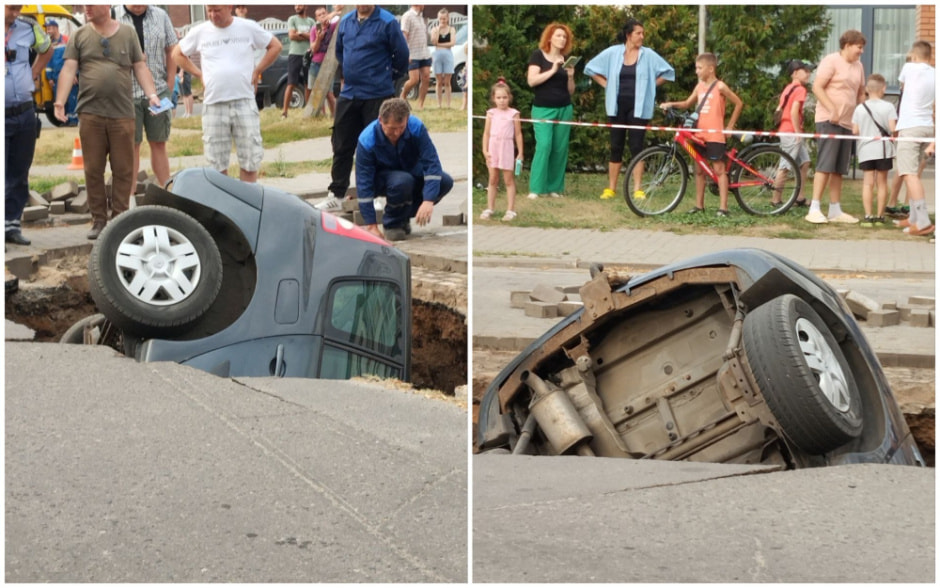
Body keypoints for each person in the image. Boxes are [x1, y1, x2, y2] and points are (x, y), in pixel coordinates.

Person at [54, 5, 161, 240]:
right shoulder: (79, 35)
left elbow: (140, 66)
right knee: (93, 170)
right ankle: (99, 220)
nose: (86, 8)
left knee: (123, 170)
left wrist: (152, 95)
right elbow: (69, 69)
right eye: (84, 5)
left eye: (91, 4)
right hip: (90, 114)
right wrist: (60, 101)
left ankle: (120, 220)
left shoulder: (128, 33)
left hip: (122, 114)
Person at [315, 5, 409, 212]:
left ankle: (375, 195)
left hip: (377, 94)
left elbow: (402, 56)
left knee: (377, 145)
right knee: (341, 143)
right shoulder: (346, 22)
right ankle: (337, 194)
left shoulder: (387, 22)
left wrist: (386, 77)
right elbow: (340, 52)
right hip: (350, 93)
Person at [173, 5, 281, 184]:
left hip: (244, 101)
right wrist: (199, 74)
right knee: (216, 164)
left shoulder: (247, 27)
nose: (213, 15)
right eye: (209, 10)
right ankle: (221, 200)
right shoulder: (200, 31)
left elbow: (275, 46)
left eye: (217, 10)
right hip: (214, 104)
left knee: (250, 160)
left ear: (229, 6)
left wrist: (257, 70)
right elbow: (177, 54)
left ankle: (247, 198)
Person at [584, 18, 674, 201]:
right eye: (638, 33)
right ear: (628, 35)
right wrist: (606, 85)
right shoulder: (613, 52)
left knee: (636, 146)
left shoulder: (649, 55)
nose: (642, 36)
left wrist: (651, 86)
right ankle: (611, 188)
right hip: (616, 106)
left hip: (639, 108)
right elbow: (590, 68)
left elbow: (668, 72)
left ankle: (638, 189)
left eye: (643, 33)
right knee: (615, 146)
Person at [355, 98, 452, 241]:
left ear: (407, 119)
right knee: (402, 181)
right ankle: (392, 224)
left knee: (444, 181)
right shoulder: (367, 139)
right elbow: (364, 182)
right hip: (382, 178)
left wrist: (428, 200)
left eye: (401, 127)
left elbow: (432, 163)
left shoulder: (416, 127)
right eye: (392, 129)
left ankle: (402, 217)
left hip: (410, 169)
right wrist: (371, 225)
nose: (397, 133)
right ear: (380, 120)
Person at [661, 53, 743, 217]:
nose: (696, 71)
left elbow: (738, 103)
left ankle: (723, 208)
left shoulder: (720, 86)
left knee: (719, 170)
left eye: (699, 68)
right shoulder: (699, 87)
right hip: (699, 135)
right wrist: (671, 104)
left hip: (715, 135)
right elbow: (687, 103)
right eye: (696, 68)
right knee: (699, 170)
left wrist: (730, 126)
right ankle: (699, 206)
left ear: (710, 69)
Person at [805, 30, 866, 225]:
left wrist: (861, 116)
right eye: (859, 47)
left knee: (839, 168)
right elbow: (817, 87)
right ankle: (814, 208)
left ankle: (835, 209)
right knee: (825, 164)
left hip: (847, 123)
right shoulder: (831, 61)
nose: (861, 51)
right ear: (847, 45)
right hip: (828, 121)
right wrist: (832, 109)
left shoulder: (859, 66)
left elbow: (860, 92)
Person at [115, 5, 178, 193]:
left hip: (158, 91)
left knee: (159, 142)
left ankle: (167, 191)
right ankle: (129, 198)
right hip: (127, 93)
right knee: (131, 147)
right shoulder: (114, 15)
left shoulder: (161, 15)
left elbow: (172, 49)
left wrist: (170, 82)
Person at [5, 5, 52, 246]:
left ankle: (11, 225)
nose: (15, 13)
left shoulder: (29, 27)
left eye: (18, 8)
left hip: (24, 112)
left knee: (19, 172)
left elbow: (47, 48)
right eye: (10, 8)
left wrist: (33, 73)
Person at [526, 22, 575, 200]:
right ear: (549, 38)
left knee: (559, 149)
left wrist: (570, 77)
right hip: (543, 109)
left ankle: (554, 187)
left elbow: (571, 91)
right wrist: (553, 70)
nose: (562, 39)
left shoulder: (566, 59)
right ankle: (536, 188)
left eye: (564, 37)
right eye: (558, 36)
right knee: (544, 145)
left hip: (564, 108)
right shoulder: (538, 55)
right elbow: (532, 81)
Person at [893, 40, 935, 236]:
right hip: (927, 126)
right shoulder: (935, 73)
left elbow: (902, 86)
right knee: (915, 173)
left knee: (908, 174)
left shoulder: (909, 67)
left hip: (910, 126)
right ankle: (914, 218)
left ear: (915, 56)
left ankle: (923, 221)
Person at [851, 74, 897, 227]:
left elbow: (855, 130)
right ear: (883, 88)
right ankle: (880, 216)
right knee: (882, 183)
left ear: (867, 89)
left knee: (867, 183)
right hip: (883, 149)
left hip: (865, 149)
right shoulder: (889, 107)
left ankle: (868, 215)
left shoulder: (860, 108)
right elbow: (892, 128)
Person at [773, 59, 814, 207]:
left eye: (809, 71)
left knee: (804, 162)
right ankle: (776, 200)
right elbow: (793, 112)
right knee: (785, 166)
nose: (809, 74)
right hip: (791, 131)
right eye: (806, 71)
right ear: (795, 73)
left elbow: (779, 109)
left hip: (786, 129)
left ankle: (800, 197)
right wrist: (797, 132)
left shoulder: (788, 88)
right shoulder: (800, 90)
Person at [481, 78, 523, 222]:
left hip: (506, 147)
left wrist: (520, 153)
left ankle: (510, 209)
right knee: (493, 179)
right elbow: (486, 133)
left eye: (504, 97)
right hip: (493, 147)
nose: (502, 101)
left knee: (508, 180)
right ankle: (490, 207)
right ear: (494, 98)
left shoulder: (514, 114)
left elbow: (518, 134)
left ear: (509, 97)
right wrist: (485, 150)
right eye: (499, 98)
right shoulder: (491, 113)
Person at [307, 5, 341, 115]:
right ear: (316, 18)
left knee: (329, 92)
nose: (322, 16)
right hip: (316, 63)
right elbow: (313, 49)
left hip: (328, 64)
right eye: (319, 15)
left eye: (324, 13)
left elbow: (342, 15)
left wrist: (334, 13)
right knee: (315, 91)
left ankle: (334, 115)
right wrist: (318, 38)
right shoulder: (314, 29)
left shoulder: (333, 26)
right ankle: (321, 114)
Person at [283, 5, 315, 119]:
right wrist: (307, 35)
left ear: (306, 6)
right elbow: (292, 36)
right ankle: (284, 112)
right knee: (291, 83)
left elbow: (314, 37)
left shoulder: (311, 21)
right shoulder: (292, 19)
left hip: (308, 54)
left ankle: (308, 112)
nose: (297, 6)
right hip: (294, 54)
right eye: (295, 4)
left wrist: (300, 33)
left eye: (299, 4)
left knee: (308, 84)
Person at [399, 5, 430, 109]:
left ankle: (420, 104)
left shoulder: (421, 17)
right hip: (412, 53)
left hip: (424, 53)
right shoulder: (407, 16)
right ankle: (403, 95)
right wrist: (406, 53)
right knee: (414, 80)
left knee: (426, 78)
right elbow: (404, 36)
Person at [430, 8, 456, 109]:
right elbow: (434, 42)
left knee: (447, 81)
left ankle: (448, 104)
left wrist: (440, 44)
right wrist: (438, 30)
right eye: (440, 18)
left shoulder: (451, 29)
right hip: (437, 55)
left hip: (448, 55)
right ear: (438, 18)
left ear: (447, 18)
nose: (442, 21)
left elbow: (452, 43)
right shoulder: (434, 29)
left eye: (444, 18)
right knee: (439, 81)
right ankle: (439, 104)